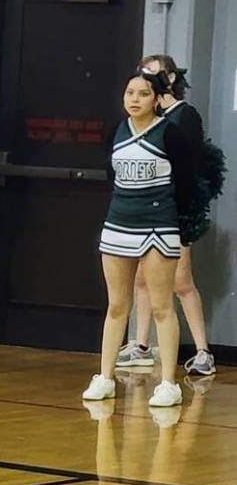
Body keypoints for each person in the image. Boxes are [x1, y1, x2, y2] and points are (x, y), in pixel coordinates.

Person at [83, 71, 193, 408]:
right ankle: (104, 377)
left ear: (157, 99)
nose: (134, 99)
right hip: (119, 223)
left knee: (161, 306)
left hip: (159, 225)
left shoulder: (170, 133)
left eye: (143, 94)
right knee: (117, 306)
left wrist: (182, 226)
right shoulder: (115, 132)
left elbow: (188, 182)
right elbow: (109, 175)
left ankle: (168, 383)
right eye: (129, 92)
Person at [118, 54, 220, 377]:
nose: (145, 81)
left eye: (152, 75)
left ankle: (203, 351)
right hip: (142, 209)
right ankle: (141, 344)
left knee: (180, 280)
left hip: (172, 210)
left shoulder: (184, 115)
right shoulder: (144, 117)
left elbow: (190, 167)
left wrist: (184, 211)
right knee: (140, 279)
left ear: (171, 78)